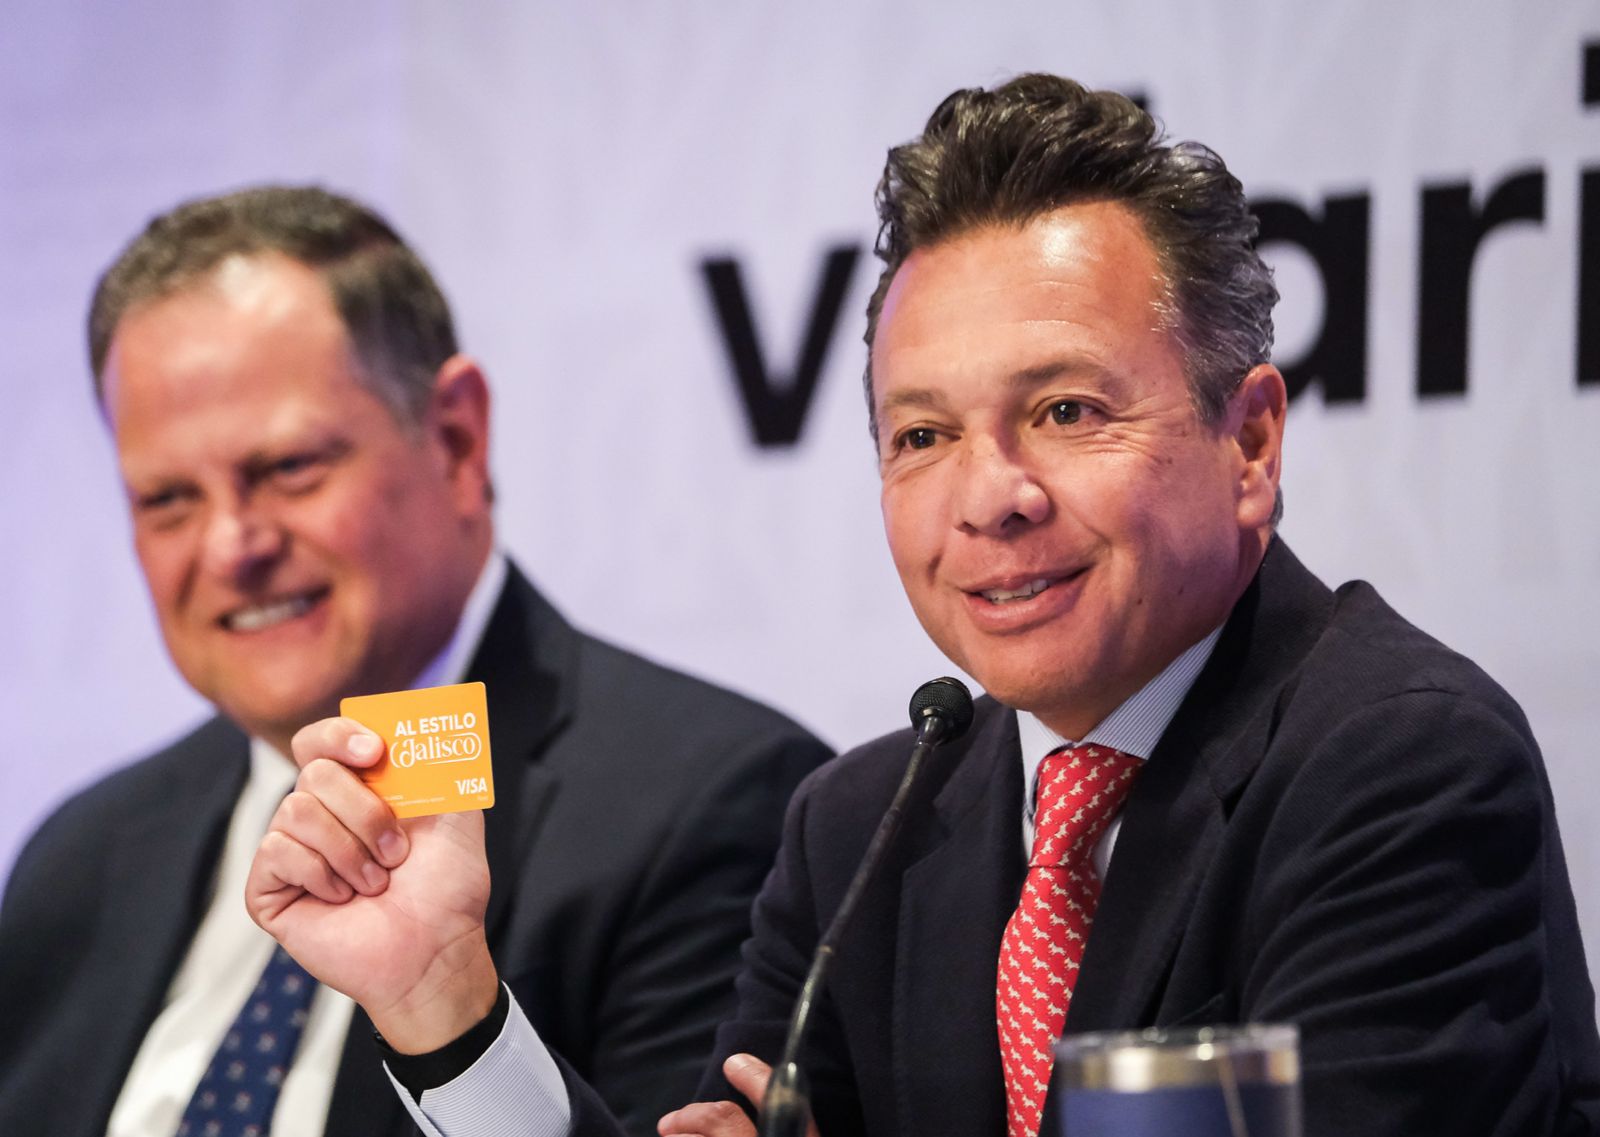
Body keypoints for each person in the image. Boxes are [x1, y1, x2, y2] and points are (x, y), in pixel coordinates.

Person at [244, 77, 1600, 1137]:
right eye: (923, 437)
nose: (988, 498)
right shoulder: (863, 829)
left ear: (1248, 442)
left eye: (1065, 410)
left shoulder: (1397, 761)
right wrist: (444, 1001)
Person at [0, 185, 831, 1137]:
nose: (231, 546)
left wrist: (449, 1015)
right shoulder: (79, 858)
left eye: (288, 468)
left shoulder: (717, 807)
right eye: (167, 500)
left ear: (456, 438)